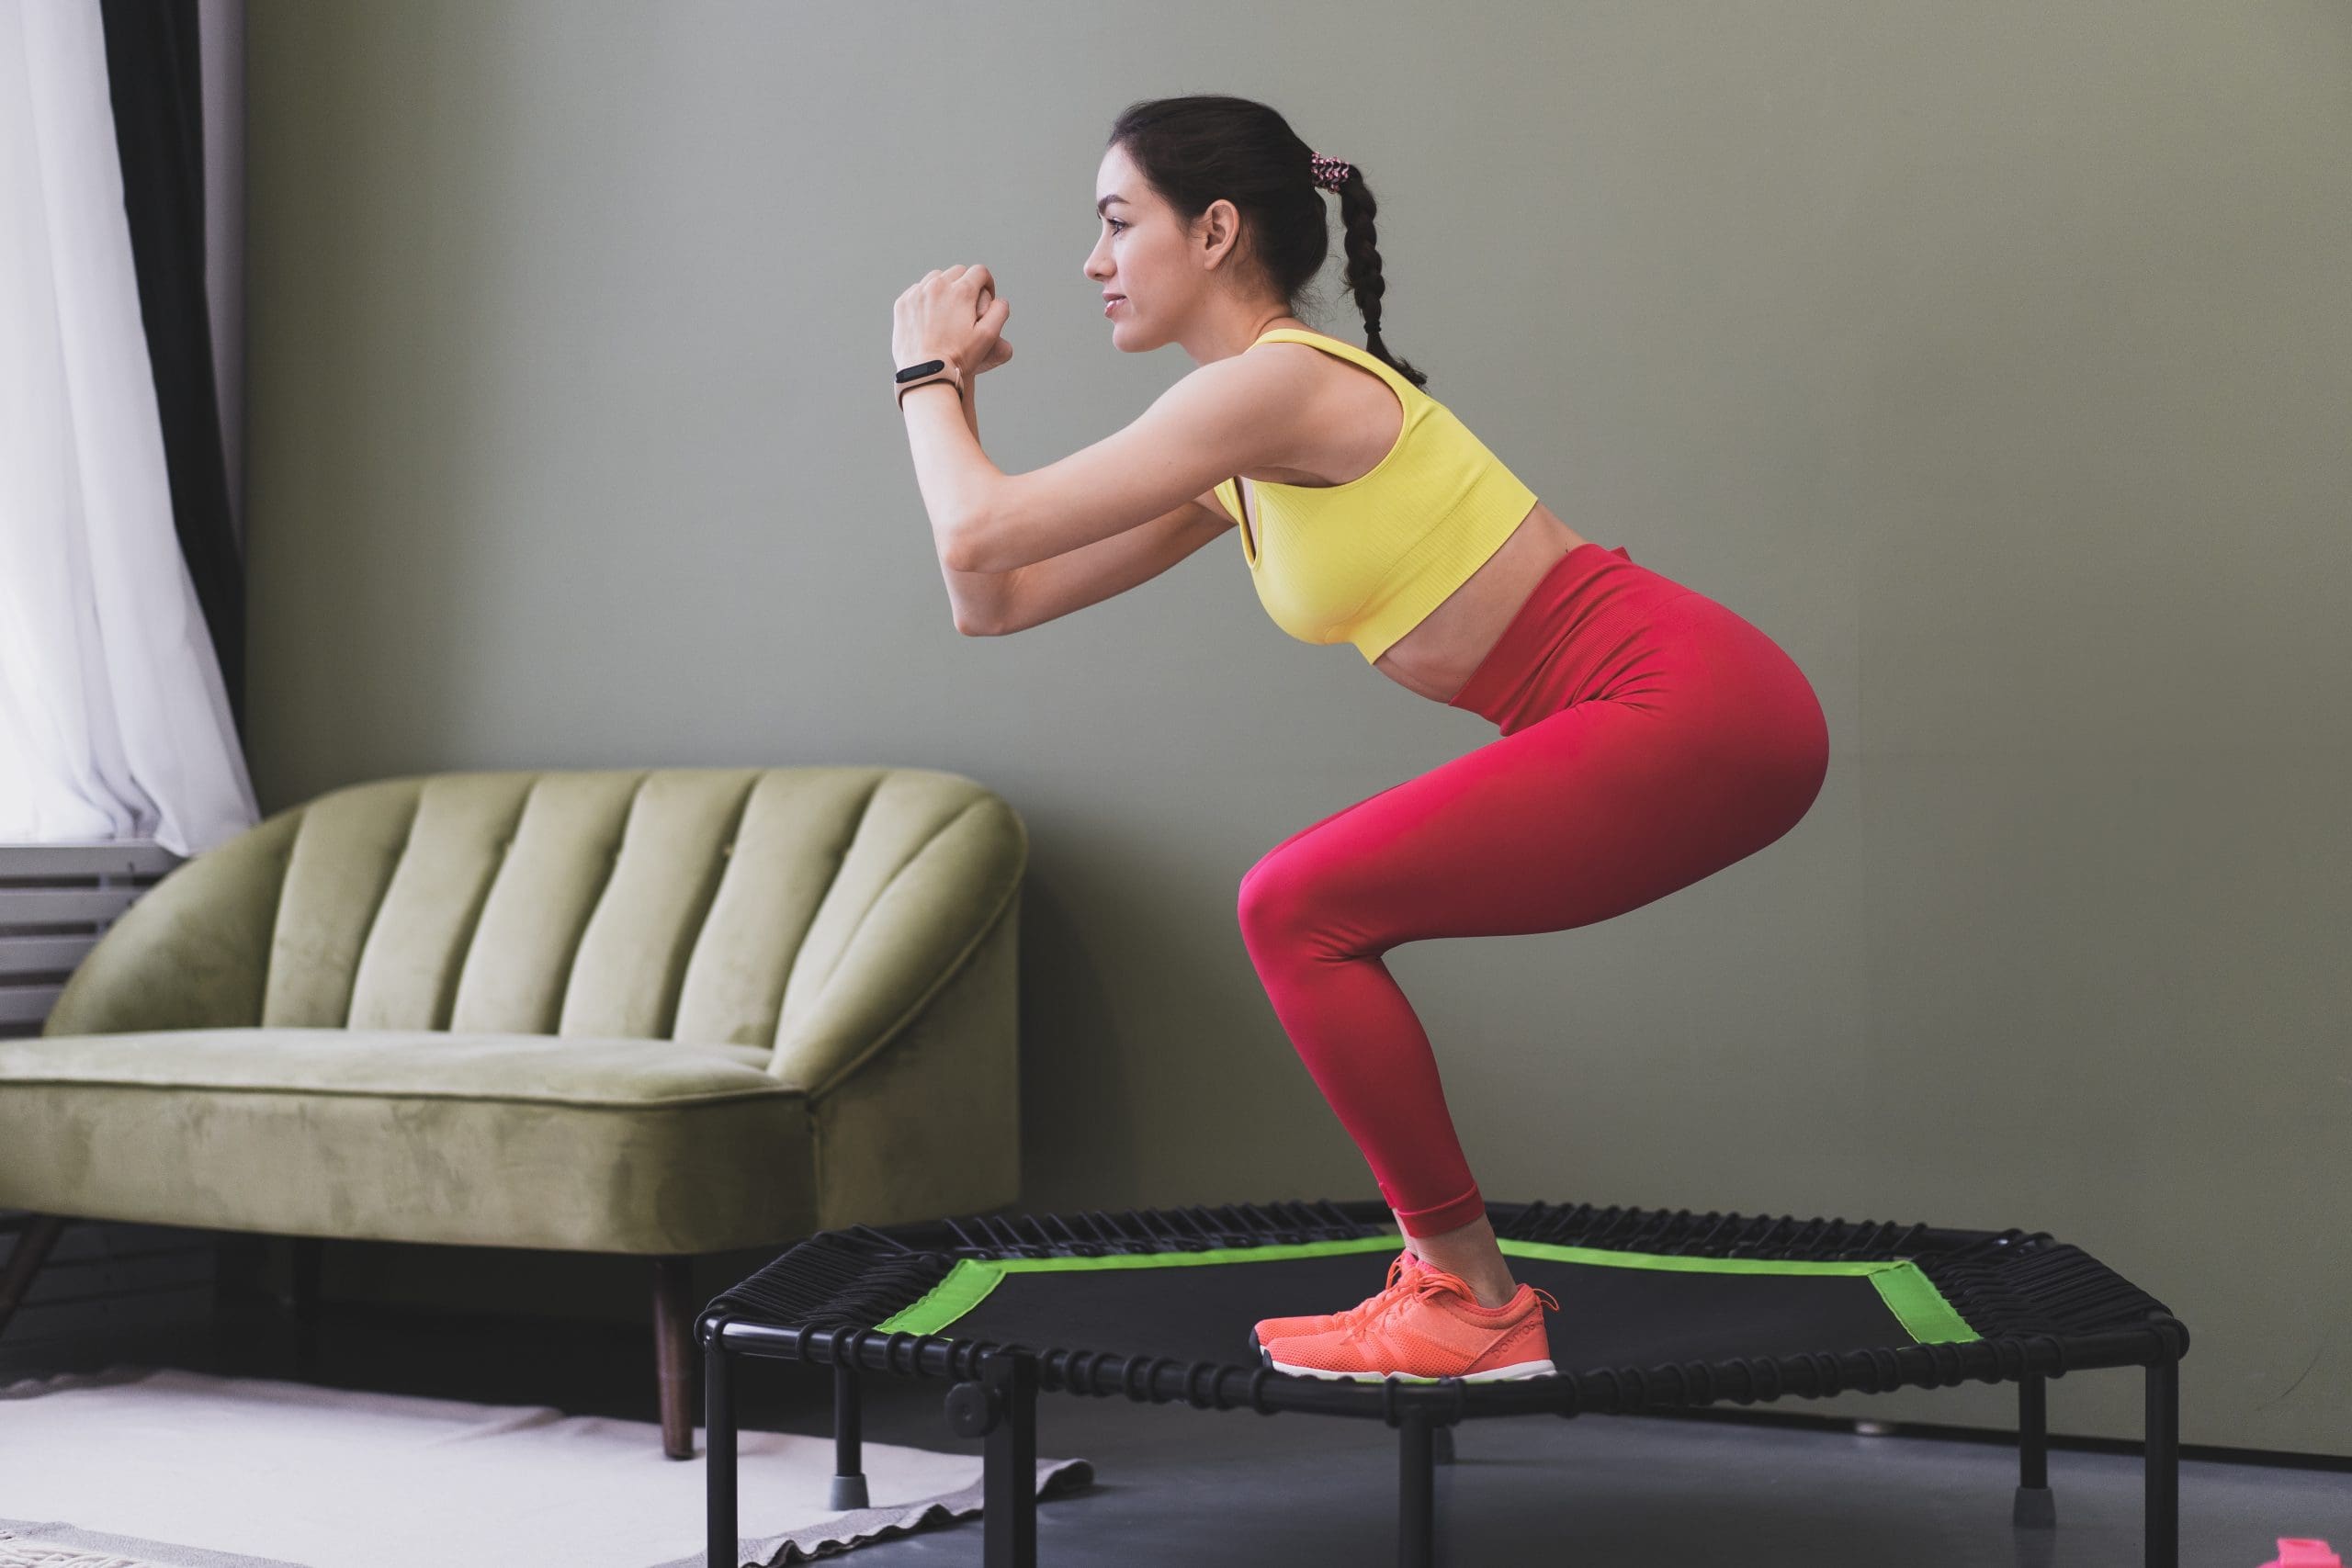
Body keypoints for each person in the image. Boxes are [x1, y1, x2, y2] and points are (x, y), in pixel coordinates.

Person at [890, 95, 1829, 1383]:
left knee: (1294, 906)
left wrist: (923, 372)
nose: (1094, 264)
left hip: (1689, 701)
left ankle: (1470, 1300)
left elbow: (974, 534)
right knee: (1301, 906)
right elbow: (989, 598)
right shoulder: (1241, 441)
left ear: (1216, 229)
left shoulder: (1274, 385)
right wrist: (958, 411)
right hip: (1657, 711)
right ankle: (1462, 1291)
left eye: (1118, 225)